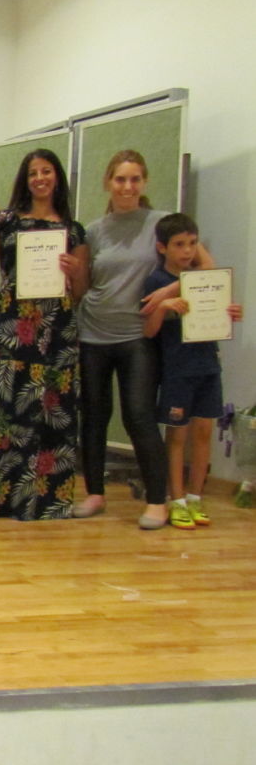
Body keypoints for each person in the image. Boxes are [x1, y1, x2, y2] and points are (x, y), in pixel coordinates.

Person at [75, 150, 212, 529]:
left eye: (135, 179)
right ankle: (95, 494)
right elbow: (85, 285)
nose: (127, 186)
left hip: (138, 336)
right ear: (109, 183)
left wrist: (169, 291)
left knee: (139, 416)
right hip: (93, 334)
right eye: (120, 179)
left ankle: (156, 501)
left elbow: (206, 268)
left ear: (144, 182)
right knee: (94, 417)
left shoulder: (161, 223)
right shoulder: (94, 230)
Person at [0, 150, 88, 520]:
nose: (40, 178)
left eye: (46, 171)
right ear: (25, 179)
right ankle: (0, 499)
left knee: (53, 411)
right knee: (8, 410)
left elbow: (80, 291)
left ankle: (46, 502)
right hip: (13, 328)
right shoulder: (4, 222)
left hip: (56, 331)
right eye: (33, 173)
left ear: (57, 177)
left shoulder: (74, 230)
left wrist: (75, 271)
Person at [141, 212, 242, 529]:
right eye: (179, 244)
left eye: (192, 243)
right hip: (178, 369)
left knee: (204, 432)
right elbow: (149, 331)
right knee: (178, 435)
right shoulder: (157, 282)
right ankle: (177, 499)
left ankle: (197, 496)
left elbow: (216, 310)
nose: (187, 250)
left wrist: (229, 313)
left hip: (208, 365)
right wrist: (163, 306)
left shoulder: (203, 279)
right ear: (162, 247)